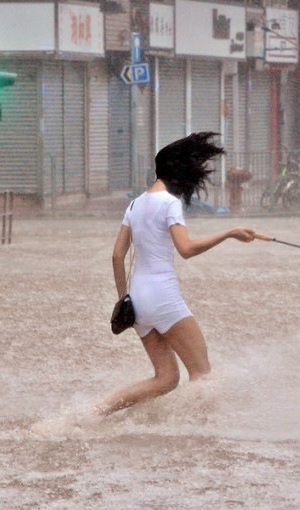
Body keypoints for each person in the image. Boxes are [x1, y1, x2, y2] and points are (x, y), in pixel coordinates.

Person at [94, 132, 256, 417]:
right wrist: (229, 233)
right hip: (163, 297)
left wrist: (125, 301)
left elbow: (117, 256)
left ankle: (95, 413)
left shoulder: (134, 204)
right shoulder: (169, 203)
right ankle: (200, 430)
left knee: (166, 379)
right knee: (203, 373)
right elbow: (187, 249)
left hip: (137, 300)